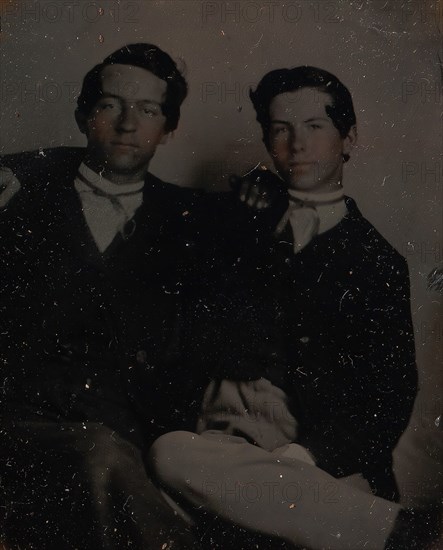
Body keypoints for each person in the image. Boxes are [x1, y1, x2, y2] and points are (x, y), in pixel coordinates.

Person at [147, 67, 433, 549]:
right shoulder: (234, 219)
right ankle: (399, 531)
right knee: (169, 454)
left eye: (315, 126)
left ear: (350, 138)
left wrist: (306, 458)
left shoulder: (376, 260)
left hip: (316, 452)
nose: (296, 143)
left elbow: (389, 395)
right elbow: (135, 190)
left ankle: (323, 507)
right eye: (280, 129)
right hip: (217, 446)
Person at [0, 43, 209, 549]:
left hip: (125, 428)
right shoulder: (18, 190)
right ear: (82, 115)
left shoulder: (190, 218)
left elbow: (269, 217)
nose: (127, 124)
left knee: (105, 458)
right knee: (98, 454)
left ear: (169, 128)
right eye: (110, 104)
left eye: (148, 110)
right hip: (18, 422)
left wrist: (261, 190)